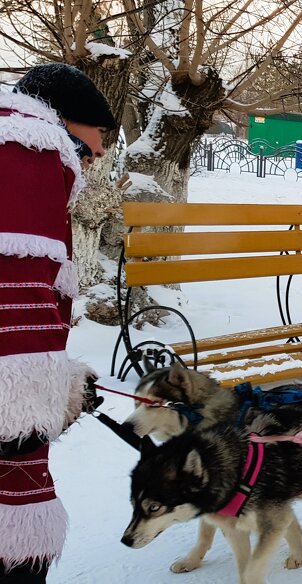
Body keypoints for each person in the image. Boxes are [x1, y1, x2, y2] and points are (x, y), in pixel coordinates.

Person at [0, 63, 115, 582]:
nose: (105, 151)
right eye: (102, 135)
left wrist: (62, 385)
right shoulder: (32, 151)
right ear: (70, 120)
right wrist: (28, 410)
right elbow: (16, 296)